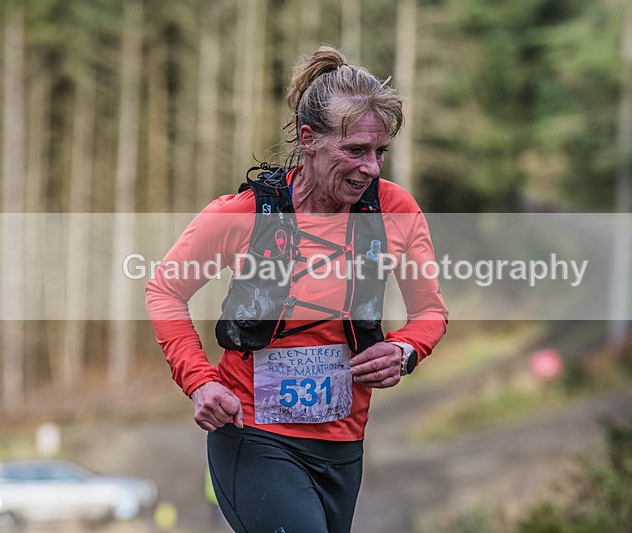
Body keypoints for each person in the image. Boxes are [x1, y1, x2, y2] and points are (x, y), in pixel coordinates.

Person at [145, 46, 448, 533]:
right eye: (355, 151)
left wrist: (406, 350)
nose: (371, 168)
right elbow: (164, 291)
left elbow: (430, 313)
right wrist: (199, 381)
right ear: (308, 140)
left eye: (380, 152)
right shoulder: (242, 214)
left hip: (344, 447)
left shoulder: (395, 210)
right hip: (252, 435)